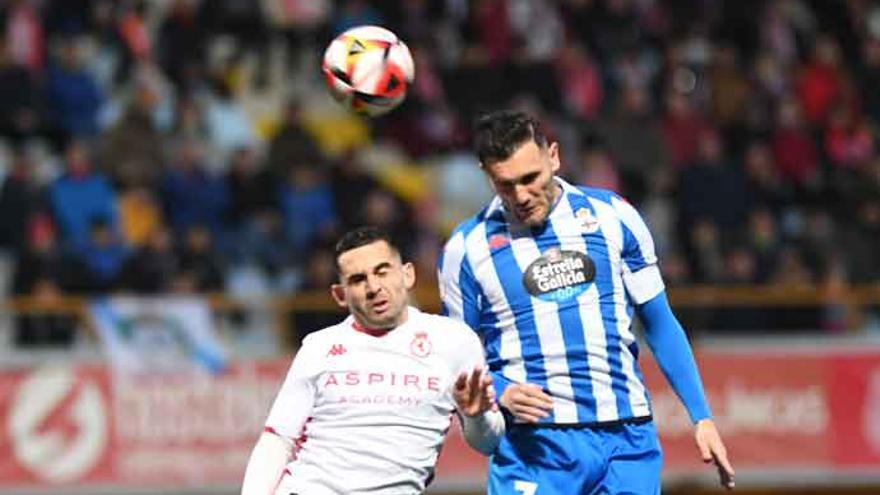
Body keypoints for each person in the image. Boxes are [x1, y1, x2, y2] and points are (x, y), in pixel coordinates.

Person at [438, 111, 734, 494]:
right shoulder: (465, 250)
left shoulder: (614, 216)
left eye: (531, 179)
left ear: (554, 157)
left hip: (626, 438)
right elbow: (458, 357)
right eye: (506, 185)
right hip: (534, 446)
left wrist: (702, 416)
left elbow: (659, 321)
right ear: (488, 176)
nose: (522, 196)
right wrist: (502, 388)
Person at [241, 226, 505, 495]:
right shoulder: (319, 347)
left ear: (407, 275)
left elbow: (488, 443)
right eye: (357, 279)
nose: (373, 287)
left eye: (382, 271)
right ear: (340, 295)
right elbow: (278, 439)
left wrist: (478, 415)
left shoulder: (455, 341)